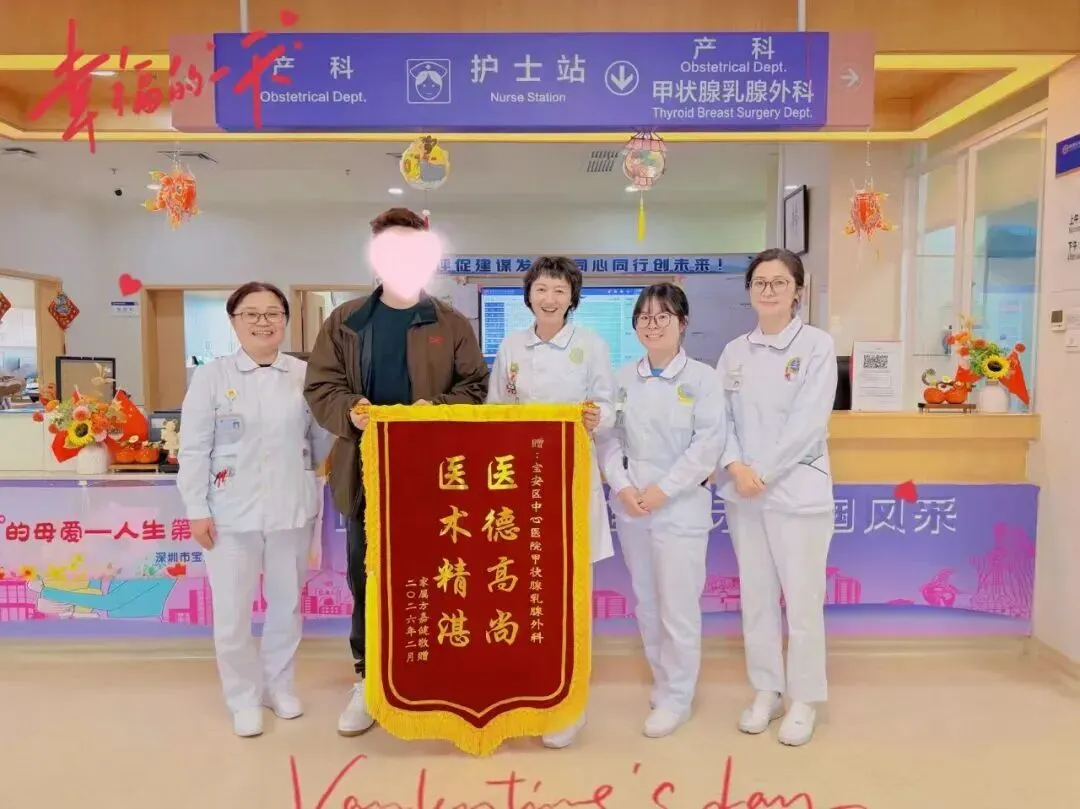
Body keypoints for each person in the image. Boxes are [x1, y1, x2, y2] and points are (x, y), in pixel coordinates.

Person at [304, 207, 490, 737]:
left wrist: (439, 409)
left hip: (436, 479)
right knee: (368, 576)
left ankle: (437, 674)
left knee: (440, 576)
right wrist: (352, 410)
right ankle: (369, 679)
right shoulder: (346, 321)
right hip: (367, 476)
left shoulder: (450, 323)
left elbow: (476, 387)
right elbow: (321, 386)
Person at [177, 281, 334, 738]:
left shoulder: (304, 376)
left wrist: (302, 474)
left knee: (287, 606)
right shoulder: (212, 377)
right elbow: (194, 448)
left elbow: (320, 438)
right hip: (229, 514)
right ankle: (243, 697)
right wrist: (195, 507)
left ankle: (278, 687)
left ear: (285, 320)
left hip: (291, 508)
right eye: (251, 314)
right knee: (232, 614)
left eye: (272, 314)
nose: (263, 322)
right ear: (234, 321)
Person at [486, 255, 617, 749]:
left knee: (570, 590)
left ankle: (569, 703)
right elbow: (497, 409)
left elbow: (608, 405)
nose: (549, 298)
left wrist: (597, 417)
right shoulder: (511, 346)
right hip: (522, 482)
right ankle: (527, 687)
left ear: (572, 298)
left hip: (571, 478)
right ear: (528, 295)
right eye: (541, 288)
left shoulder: (591, 345)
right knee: (527, 589)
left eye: (560, 290)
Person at [716, 248, 838, 747]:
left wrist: (761, 471)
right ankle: (766, 689)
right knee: (757, 598)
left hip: (796, 493)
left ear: (797, 291)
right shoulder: (733, 352)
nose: (768, 291)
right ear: (749, 290)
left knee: (803, 601)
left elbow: (809, 423)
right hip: (745, 495)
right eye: (760, 282)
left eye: (779, 282)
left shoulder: (816, 346)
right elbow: (720, 419)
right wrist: (736, 467)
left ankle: (804, 699)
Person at [595, 283, 726, 739]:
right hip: (633, 506)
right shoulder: (621, 379)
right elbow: (608, 439)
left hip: (680, 507)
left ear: (682, 323)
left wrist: (664, 490)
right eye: (645, 317)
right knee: (647, 601)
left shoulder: (703, 379)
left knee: (678, 606)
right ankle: (663, 680)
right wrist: (623, 485)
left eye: (663, 316)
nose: (653, 325)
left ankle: (678, 697)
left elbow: (707, 445)